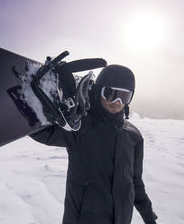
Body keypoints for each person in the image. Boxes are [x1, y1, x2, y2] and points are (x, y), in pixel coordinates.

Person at [30, 64, 158, 224]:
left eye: (124, 97)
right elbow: (42, 133)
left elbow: (135, 181)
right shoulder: (79, 126)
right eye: (110, 94)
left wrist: (148, 215)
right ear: (98, 92)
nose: (117, 102)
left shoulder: (133, 136)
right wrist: (35, 99)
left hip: (122, 218)